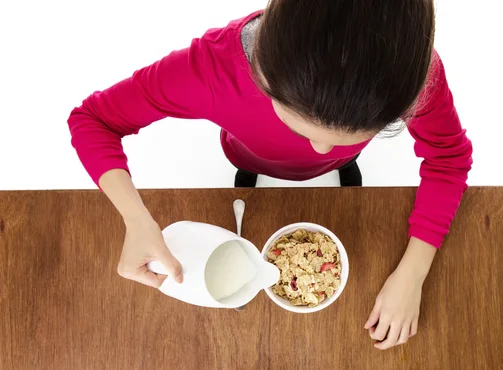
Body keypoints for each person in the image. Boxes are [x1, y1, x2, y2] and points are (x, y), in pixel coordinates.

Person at [67, 1, 472, 350]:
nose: (320, 151)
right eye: (302, 130)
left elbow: (448, 157)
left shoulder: (416, 80)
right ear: (263, 76)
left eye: (352, 137)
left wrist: (414, 271)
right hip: (248, 156)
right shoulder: (212, 69)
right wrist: (135, 217)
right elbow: (93, 119)